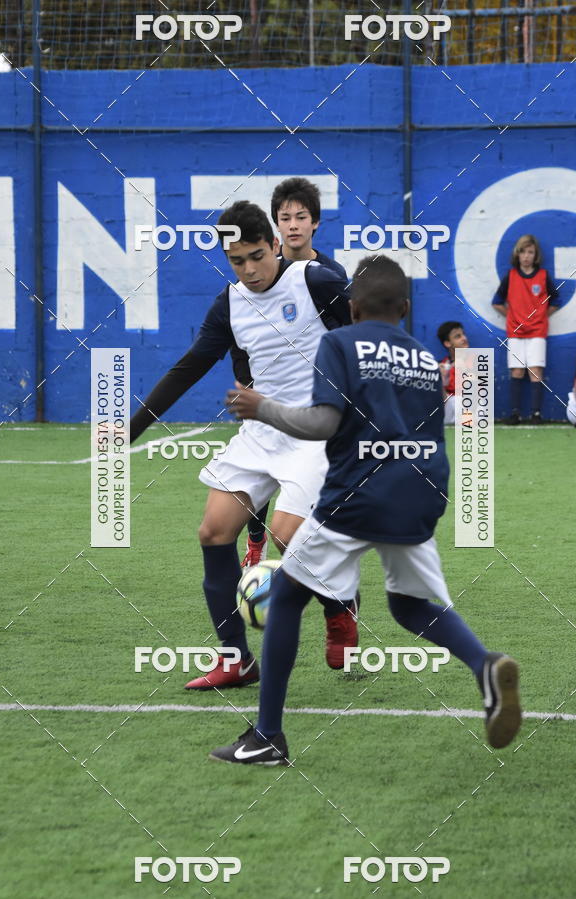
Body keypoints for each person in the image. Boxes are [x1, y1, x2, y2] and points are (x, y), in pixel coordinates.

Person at [210, 256, 522, 765]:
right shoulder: (424, 359)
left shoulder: (339, 343)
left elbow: (323, 422)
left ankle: (267, 737)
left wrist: (261, 407)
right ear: (405, 308)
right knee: (410, 605)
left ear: (352, 307)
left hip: (358, 494)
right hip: (420, 493)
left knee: (284, 597)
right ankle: (484, 664)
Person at [129, 200, 359, 688]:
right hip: (260, 430)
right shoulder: (230, 304)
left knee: (285, 537)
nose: (250, 269)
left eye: (257, 256)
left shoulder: (316, 282)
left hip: (316, 432)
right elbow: (189, 368)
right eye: (237, 261)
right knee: (213, 532)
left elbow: (366, 336)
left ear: (275, 244)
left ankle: (340, 603)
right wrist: (130, 429)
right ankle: (236, 660)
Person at [239, 177, 347, 566]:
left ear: (315, 222)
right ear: (276, 225)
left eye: (301, 217)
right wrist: (247, 380)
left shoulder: (330, 273)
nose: (294, 225)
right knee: (257, 474)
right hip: (268, 390)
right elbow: (242, 327)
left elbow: (345, 333)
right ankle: (256, 542)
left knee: (310, 477)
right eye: (285, 218)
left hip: (316, 397)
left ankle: (313, 548)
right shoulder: (262, 269)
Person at [492, 234, 560, 424]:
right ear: (517, 254)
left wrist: (542, 315)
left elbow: (556, 300)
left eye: (530, 252)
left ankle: (536, 414)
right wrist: (512, 316)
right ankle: (515, 413)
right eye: (523, 252)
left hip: (537, 331)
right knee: (517, 371)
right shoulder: (511, 276)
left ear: (536, 255)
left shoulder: (543, 276)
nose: (526, 256)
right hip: (515, 331)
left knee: (535, 370)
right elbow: (496, 302)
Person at [436, 320, 470, 425]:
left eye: (463, 334)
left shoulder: (476, 360)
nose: (464, 338)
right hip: (451, 407)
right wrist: (440, 378)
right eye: (458, 336)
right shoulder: (444, 363)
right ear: (447, 343)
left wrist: (463, 369)